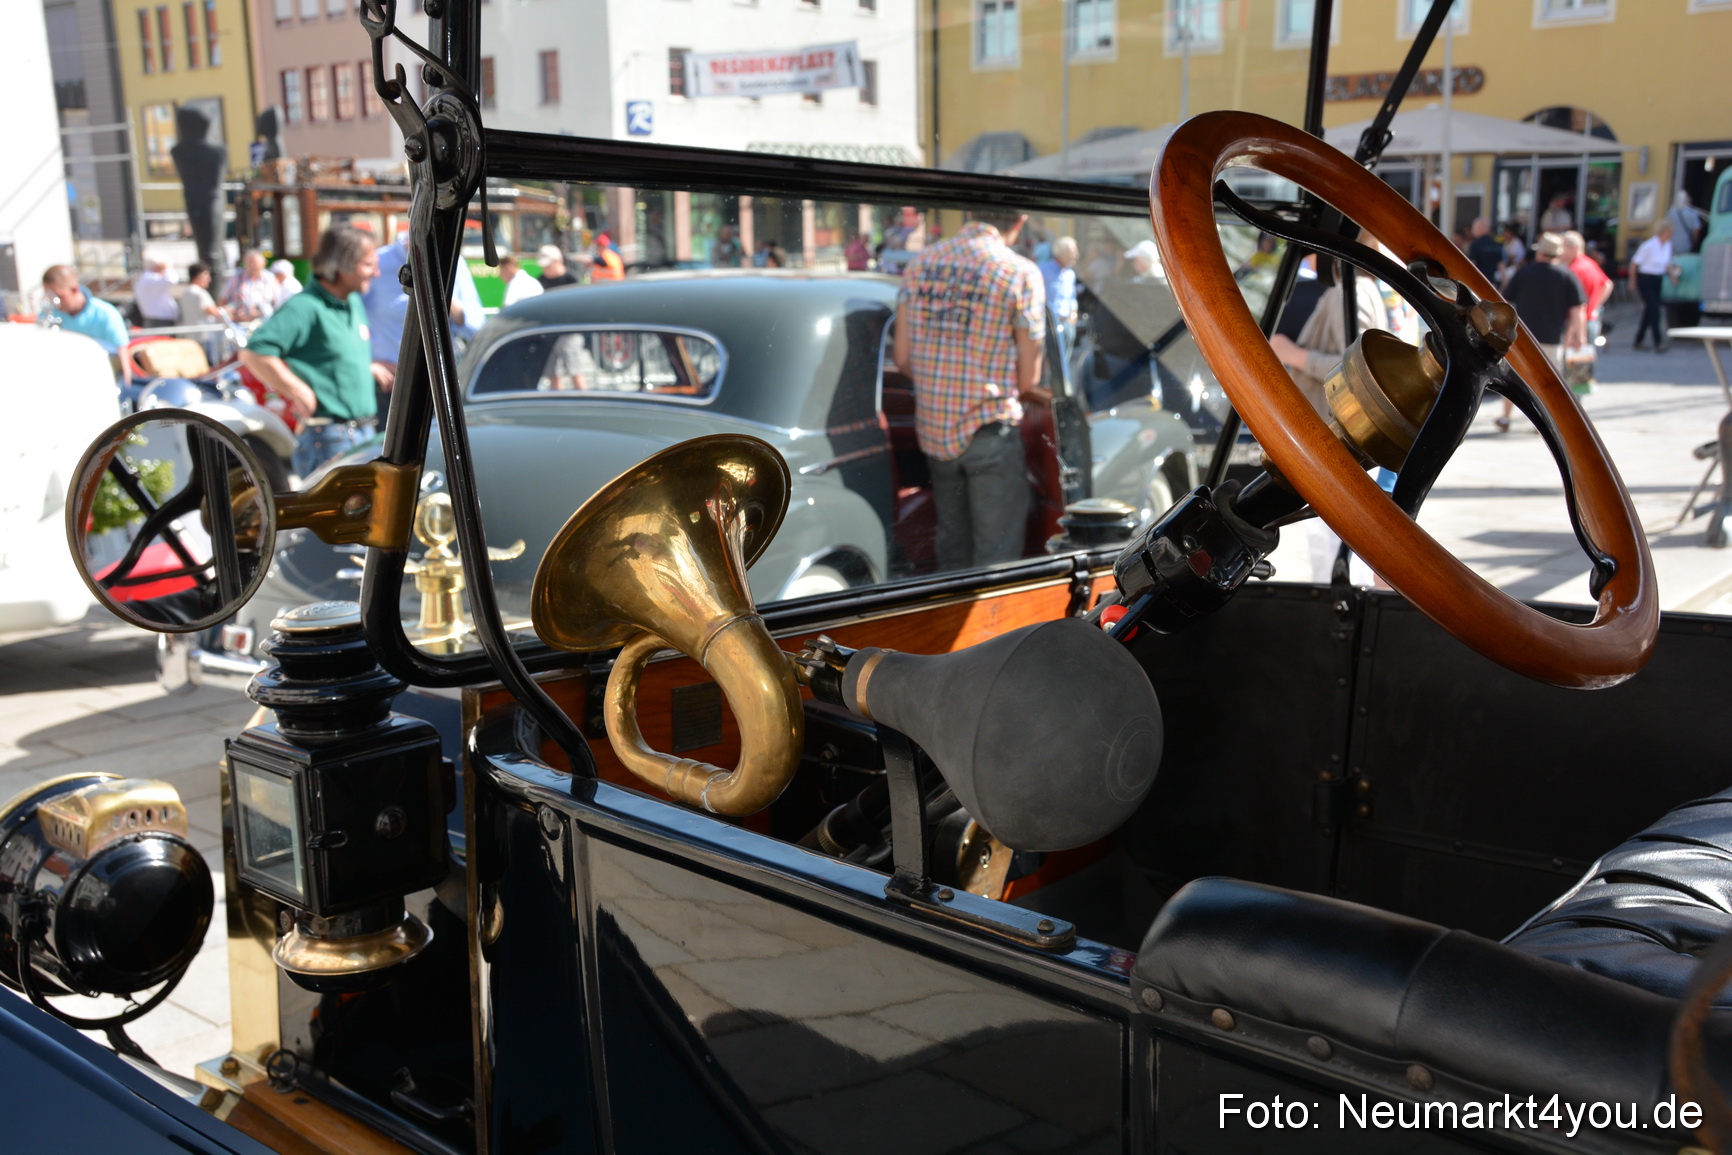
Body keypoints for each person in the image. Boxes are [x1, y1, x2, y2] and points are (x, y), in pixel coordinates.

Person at [892, 209, 1046, 572]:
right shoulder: (1018, 272)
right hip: (989, 430)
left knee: (952, 548)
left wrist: (937, 383)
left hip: (933, 430)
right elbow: (1028, 380)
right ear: (1019, 221)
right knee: (997, 558)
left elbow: (901, 357)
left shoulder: (920, 264)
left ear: (966, 212)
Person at [240, 227, 390, 478]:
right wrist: (299, 390)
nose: (376, 272)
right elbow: (255, 353)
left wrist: (365, 367)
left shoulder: (350, 301)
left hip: (360, 433)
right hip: (331, 439)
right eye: (368, 265)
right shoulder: (305, 307)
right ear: (342, 265)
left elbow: (329, 354)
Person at [1267, 254, 1387, 417]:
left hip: (1322, 422)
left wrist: (1296, 356)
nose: (1306, 255)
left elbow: (1358, 371)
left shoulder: (1350, 291)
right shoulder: (1357, 288)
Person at [1496, 232, 1584, 431]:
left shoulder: (1524, 272)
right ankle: (1545, 424)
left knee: (1513, 380)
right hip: (1553, 337)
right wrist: (1577, 335)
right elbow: (1577, 309)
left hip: (1522, 338)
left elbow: (1504, 301)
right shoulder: (1566, 275)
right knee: (1549, 384)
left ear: (1540, 253)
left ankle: (1506, 417)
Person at [40, 265, 132, 383]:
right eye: (51, 297)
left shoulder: (105, 314)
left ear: (74, 289)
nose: (55, 303)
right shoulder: (48, 314)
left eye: (59, 297)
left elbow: (121, 353)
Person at [1629, 221, 1675, 352]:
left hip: (1658, 278)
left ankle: (1639, 339)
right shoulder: (1648, 245)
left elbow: (1667, 263)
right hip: (1646, 278)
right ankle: (1658, 341)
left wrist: (1672, 276)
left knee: (1649, 310)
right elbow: (1634, 263)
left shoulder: (1668, 245)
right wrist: (1632, 281)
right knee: (1655, 309)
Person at [1562, 229, 1613, 348]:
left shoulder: (1575, 270)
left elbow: (1577, 306)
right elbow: (1607, 284)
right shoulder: (1589, 263)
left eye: (1563, 247)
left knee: (1573, 363)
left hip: (1579, 324)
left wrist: (1572, 334)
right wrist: (1595, 306)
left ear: (1573, 248)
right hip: (1590, 320)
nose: (1560, 252)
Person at [1038, 235, 1079, 359]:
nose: (1076, 255)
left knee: (1063, 364)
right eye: (1072, 252)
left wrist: (1073, 317)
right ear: (1060, 253)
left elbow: (1072, 298)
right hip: (1047, 326)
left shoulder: (1070, 274)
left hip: (1066, 325)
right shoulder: (1042, 271)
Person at [179, 262, 225, 364]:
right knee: (208, 365)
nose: (209, 279)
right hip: (204, 336)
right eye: (206, 275)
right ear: (199, 275)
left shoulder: (185, 291)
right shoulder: (199, 293)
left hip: (191, 336)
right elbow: (212, 311)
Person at [224, 249, 276, 322]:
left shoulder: (270, 279)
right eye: (250, 264)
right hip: (240, 322)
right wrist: (233, 316)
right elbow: (223, 300)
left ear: (263, 264)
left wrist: (258, 313)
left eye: (255, 264)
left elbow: (277, 303)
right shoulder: (236, 278)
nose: (252, 267)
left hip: (264, 321)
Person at [134, 259, 180, 328]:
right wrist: (168, 267)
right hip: (160, 321)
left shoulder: (145, 279)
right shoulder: (151, 279)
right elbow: (171, 280)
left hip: (155, 320)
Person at [1466, 217, 1504, 285]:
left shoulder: (1475, 245)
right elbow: (1501, 266)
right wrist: (1504, 284)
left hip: (1479, 283)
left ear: (1480, 228)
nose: (1473, 230)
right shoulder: (1496, 245)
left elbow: (1472, 266)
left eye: (1474, 227)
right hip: (1492, 283)